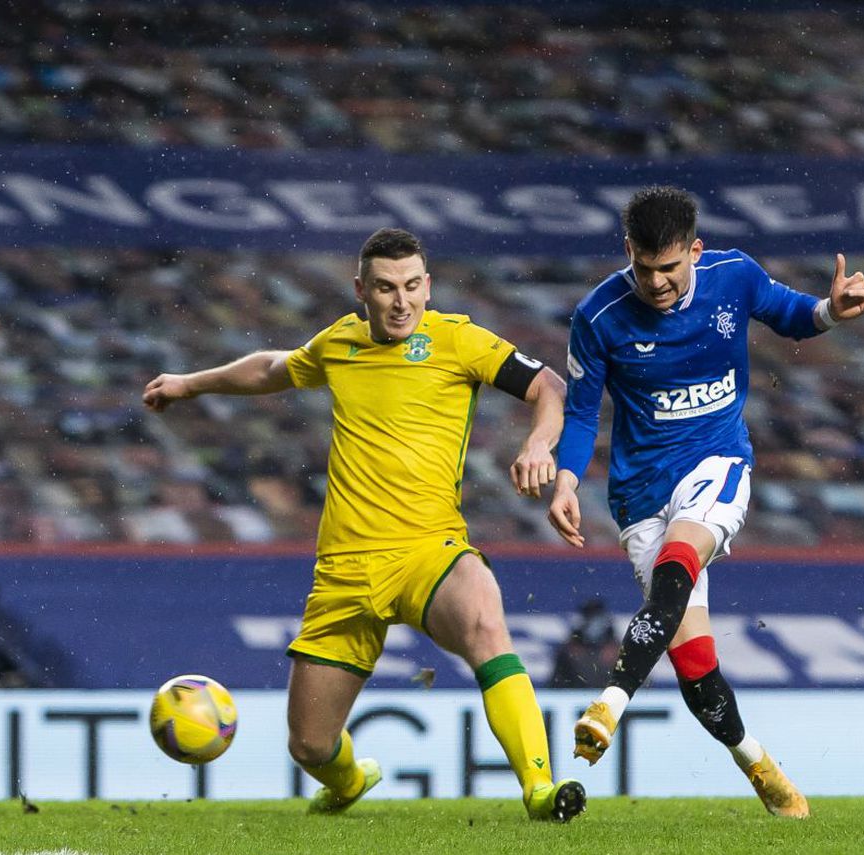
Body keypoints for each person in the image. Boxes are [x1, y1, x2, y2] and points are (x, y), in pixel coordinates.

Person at [143, 228, 585, 823]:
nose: (401, 302)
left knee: (485, 622)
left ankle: (540, 789)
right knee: (310, 745)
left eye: (411, 286)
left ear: (428, 286)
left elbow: (548, 385)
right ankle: (351, 780)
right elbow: (273, 367)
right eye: (385, 288)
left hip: (428, 550)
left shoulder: (458, 339)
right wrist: (189, 384)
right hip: (344, 571)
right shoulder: (339, 343)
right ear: (361, 291)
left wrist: (537, 444)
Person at [548, 185, 864, 818]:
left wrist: (830, 311)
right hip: (639, 490)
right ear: (628, 251)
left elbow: (791, 314)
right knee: (695, 665)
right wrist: (566, 479)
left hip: (717, 460)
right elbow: (583, 411)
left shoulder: (734, 275)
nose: (657, 283)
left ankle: (609, 703)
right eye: (644, 267)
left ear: (695, 252)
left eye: (670, 268)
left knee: (679, 562)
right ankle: (756, 761)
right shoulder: (598, 316)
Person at [548, 598, 621, 688]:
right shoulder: (570, 650)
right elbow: (557, 684)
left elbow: (628, 682)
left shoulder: (617, 649)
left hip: (609, 695)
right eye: (590, 618)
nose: (594, 624)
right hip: (576, 695)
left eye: (598, 618)